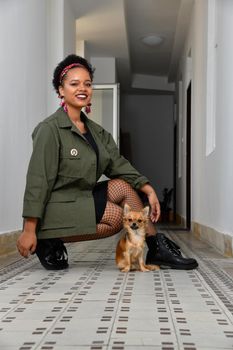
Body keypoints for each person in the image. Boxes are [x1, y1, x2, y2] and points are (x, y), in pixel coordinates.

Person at [17, 54, 198, 271]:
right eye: (74, 84)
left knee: (123, 186)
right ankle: (47, 238)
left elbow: (118, 164)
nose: (82, 88)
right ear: (61, 90)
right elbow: (38, 180)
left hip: (80, 199)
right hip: (57, 206)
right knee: (114, 218)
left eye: (87, 84)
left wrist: (148, 189)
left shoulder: (97, 132)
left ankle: (155, 247)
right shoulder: (50, 129)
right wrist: (29, 229)